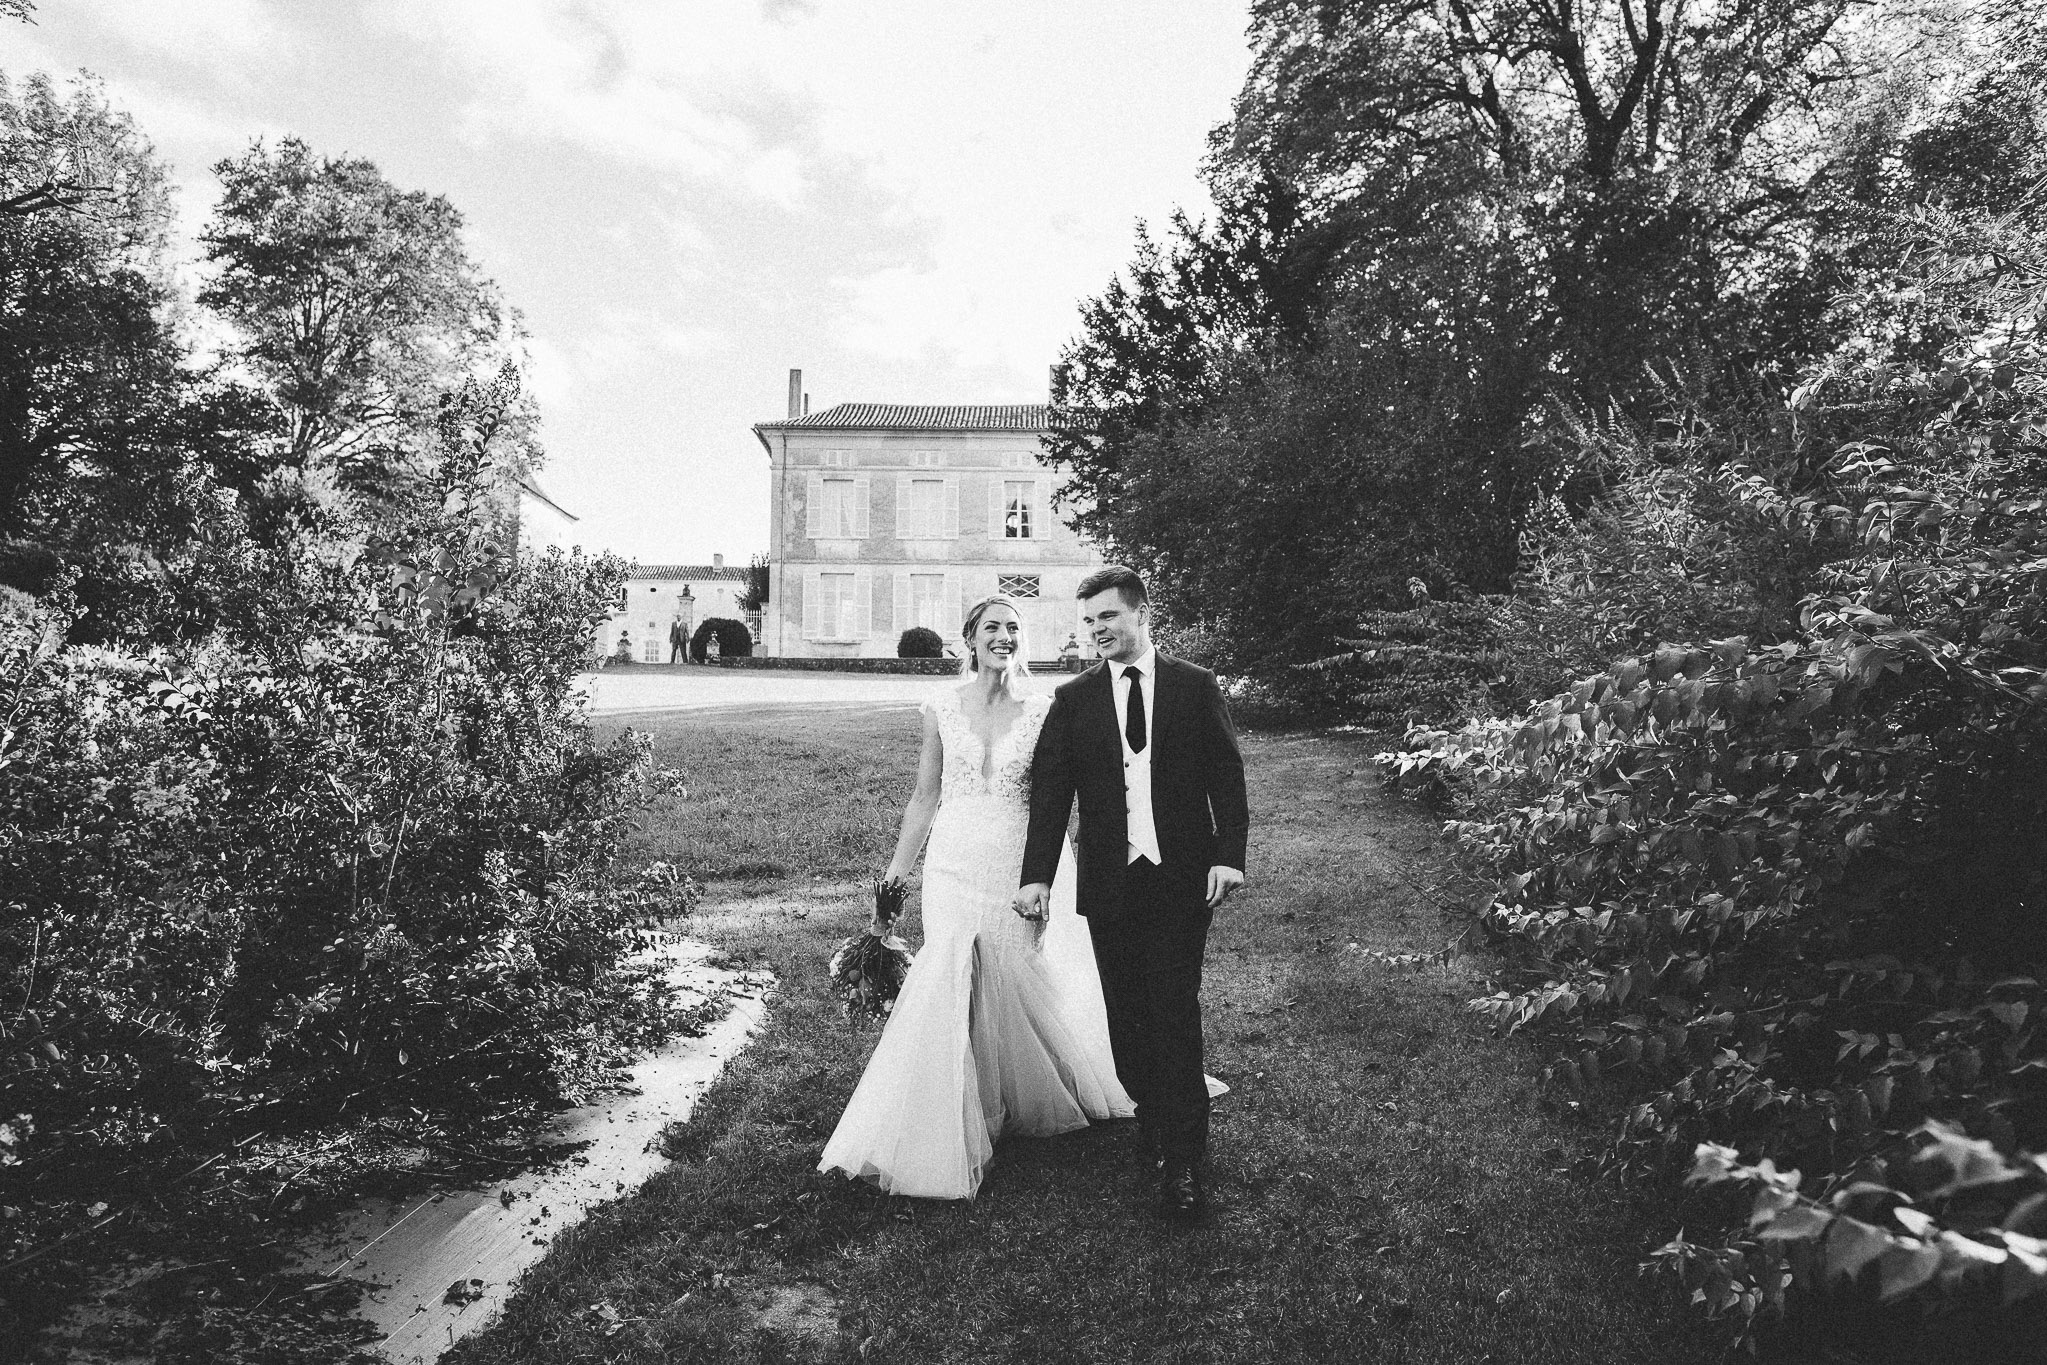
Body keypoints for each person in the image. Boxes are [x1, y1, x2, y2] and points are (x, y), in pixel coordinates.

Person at [817, 597, 1134, 1199]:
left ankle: (1014, 1095)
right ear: (970, 638)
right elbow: (924, 795)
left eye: (1014, 629)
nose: (1005, 638)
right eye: (993, 628)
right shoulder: (941, 707)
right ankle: (950, 1107)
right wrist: (896, 872)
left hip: (1019, 856)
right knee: (952, 970)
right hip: (954, 857)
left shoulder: (1045, 709)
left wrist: (1044, 873)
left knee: (1015, 970)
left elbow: (1054, 797)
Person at [1014, 565, 1248, 1222]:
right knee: (1127, 1014)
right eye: (1087, 621)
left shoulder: (1194, 687)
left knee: (1173, 1005)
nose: (1096, 631)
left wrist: (1228, 855)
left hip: (1179, 875)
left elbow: (1225, 777)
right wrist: (1036, 874)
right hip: (1109, 881)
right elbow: (1051, 795)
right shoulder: (1074, 700)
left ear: (1142, 615)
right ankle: (1150, 1106)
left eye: (1107, 617)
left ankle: (1183, 1157)